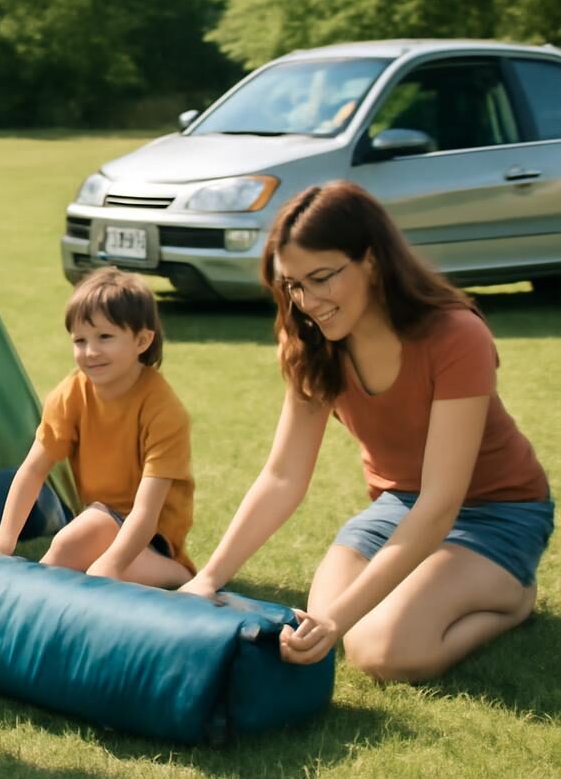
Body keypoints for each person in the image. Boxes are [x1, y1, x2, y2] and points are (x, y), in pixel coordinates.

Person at [180, 181, 554, 681]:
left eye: (321, 278)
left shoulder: (457, 336)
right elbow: (283, 476)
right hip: (396, 507)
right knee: (321, 629)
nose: (307, 301)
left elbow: (442, 500)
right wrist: (209, 578)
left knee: (384, 653)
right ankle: (435, 587)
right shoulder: (310, 344)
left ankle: (513, 597)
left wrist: (339, 619)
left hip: (496, 512)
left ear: (372, 261)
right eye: (292, 284)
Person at [0, 267, 195, 587]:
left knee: (86, 545)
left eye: (105, 337)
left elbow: (146, 510)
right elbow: (32, 471)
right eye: (80, 340)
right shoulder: (70, 394)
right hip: (99, 519)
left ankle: (180, 574)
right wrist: (4, 543)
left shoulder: (164, 411)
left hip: (151, 538)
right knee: (77, 541)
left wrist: (111, 564)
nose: (90, 352)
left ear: (142, 340)